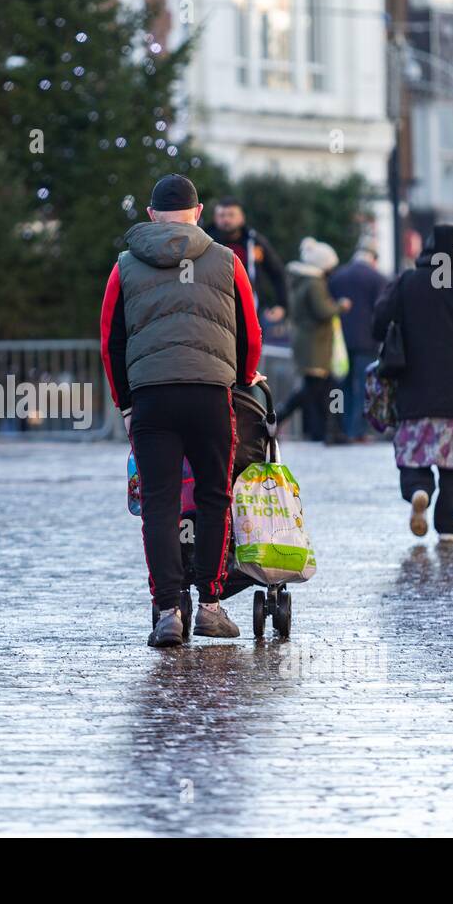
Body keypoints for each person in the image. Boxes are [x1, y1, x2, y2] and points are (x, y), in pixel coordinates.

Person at [101, 174, 262, 648]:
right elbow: (249, 333)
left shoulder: (125, 266)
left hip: (152, 397)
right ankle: (211, 605)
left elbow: (111, 341)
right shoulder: (227, 261)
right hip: (211, 395)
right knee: (215, 495)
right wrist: (243, 377)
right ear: (198, 212)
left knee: (160, 503)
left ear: (151, 215)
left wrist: (125, 403)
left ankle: (169, 611)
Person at [371, 223, 453, 543]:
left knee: (414, 457)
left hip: (414, 391)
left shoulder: (407, 283)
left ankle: (419, 491)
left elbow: (378, 324)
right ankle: (448, 525)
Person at [278, 237, 347, 443]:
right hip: (316, 343)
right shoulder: (315, 283)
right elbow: (323, 310)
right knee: (314, 388)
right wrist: (340, 306)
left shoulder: (300, 279)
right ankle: (277, 417)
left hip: (307, 342)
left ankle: (330, 430)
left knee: (324, 388)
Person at [328, 241, 387, 440]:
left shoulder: (337, 277)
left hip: (339, 342)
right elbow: (381, 310)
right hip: (367, 341)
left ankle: (343, 428)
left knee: (342, 387)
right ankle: (358, 430)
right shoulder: (377, 278)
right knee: (364, 386)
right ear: (373, 259)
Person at [204, 196, 288, 324]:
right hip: (211, 313)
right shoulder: (203, 241)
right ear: (215, 218)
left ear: (242, 217)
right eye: (221, 215)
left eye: (231, 215)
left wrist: (282, 305)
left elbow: (277, 272)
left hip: (250, 314)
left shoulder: (255, 242)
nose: (226, 219)